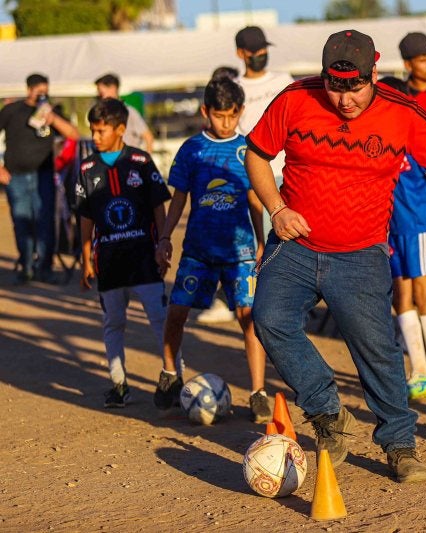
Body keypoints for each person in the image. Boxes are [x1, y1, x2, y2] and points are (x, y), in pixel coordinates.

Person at [245, 29, 426, 483]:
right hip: (295, 246)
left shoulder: (403, 112)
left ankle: (399, 445)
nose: (344, 99)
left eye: (354, 86)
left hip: (361, 254)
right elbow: (256, 156)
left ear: (373, 73)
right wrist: (276, 209)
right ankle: (328, 415)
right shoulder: (295, 98)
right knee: (269, 319)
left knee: (377, 351)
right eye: (335, 87)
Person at [152, 78, 270, 423]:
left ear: (240, 112)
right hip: (198, 251)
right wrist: (165, 237)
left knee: (250, 320)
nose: (225, 123)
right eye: (219, 116)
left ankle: (259, 392)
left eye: (232, 116)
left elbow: (254, 198)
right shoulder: (192, 149)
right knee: (177, 313)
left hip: (240, 252)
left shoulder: (247, 149)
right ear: (206, 112)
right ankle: (170, 374)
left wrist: (262, 240)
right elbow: (178, 199)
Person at [75, 98, 172, 408]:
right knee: (113, 323)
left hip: (144, 256)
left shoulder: (141, 162)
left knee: (160, 320)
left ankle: (174, 379)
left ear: (120, 129)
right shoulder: (87, 168)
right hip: (110, 261)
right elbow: (86, 216)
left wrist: (163, 243)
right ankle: (119, 384)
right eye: (92, 130)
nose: (95, 136)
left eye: (101, 130)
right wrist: (86, 255)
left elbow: (159, 205)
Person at [198, 26, 294, 324]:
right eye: (255, 52)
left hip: (291, 174)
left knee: (292, 243)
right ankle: (245, 302)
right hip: (257, 178)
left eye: (264, 50)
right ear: (241, 54)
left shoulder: (283, 81)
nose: (261, 56)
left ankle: (288, 307)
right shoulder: (234, 89)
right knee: (262, 246)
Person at [380, 76, 426, 400]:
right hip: (396, 230)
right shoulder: (381, 140)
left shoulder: (417, 138)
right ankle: (419, 370)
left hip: (422, 227)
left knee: (425, 294)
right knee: (402, 297)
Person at [0, 73, 80, 284]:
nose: (42, 95)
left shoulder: (52, 112)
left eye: (46, 91)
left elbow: (74, 134)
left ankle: (44, 268)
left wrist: (53, 118)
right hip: (16, 176)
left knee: (45, 222)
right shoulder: (12, 110)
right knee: (22, 221)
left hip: (44, 176)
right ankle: (26, 267)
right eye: (39, 91)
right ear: (29, 90)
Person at [95, 73, 154, 153]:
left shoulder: (129, 111)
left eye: (102, 93)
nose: (99, 96)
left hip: (128, 161)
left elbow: (148, 137)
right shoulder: (101, 113)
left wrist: (146, 162)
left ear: (113, 88)